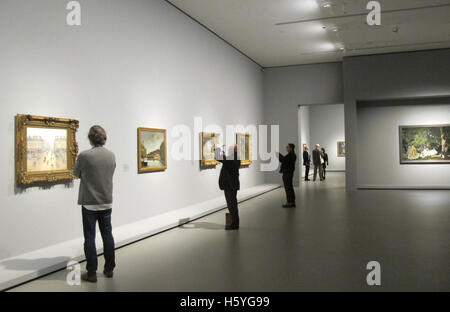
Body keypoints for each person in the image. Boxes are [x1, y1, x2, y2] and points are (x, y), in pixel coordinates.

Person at [74, 125, 116, 283]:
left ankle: (91, 272)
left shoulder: (84, 155)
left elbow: (75, 174)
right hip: (106, 202)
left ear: (90, 138)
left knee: (90, 237)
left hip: (89, 204)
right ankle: (109, 269)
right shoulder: (111, 155)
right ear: (104, 137)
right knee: (107, 235)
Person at [215, 145, 241, 230]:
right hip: (231, 185)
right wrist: (224, 155)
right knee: (232, 205)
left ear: (233, 150)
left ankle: (234, 224)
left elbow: (219, 158)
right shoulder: (235, 157)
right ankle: (234, 223)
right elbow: (227, 163)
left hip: (230, 185)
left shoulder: (233, 158)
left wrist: (218, 149)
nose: (228, 150)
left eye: (230, 149)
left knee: (232, 205)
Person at [277, 143, 297, 208]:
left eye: (287, 147)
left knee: (288, 188)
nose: (286, 148)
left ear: (291, 148)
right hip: (289, 173)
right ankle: (292, 202)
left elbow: (283, 160)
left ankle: (289, 202)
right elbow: (284, 159)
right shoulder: (292, 155)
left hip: (287, 173)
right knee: (290, 187)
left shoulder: (290, 155)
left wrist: (278, 154)